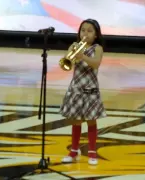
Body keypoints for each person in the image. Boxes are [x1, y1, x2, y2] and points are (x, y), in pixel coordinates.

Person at [59, 18, 106, 165]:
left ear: (96, 35)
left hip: (90, 89)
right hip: (76, 89)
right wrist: (72, 56)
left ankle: (92, 150)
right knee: (76, 120)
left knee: (91, 121)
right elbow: (68, 62)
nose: (85, 33)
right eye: (83, 30)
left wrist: (83, 56)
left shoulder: (97, 48)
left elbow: (96, 64)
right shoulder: (74, 46)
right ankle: (74, 149)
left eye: (90, 31)